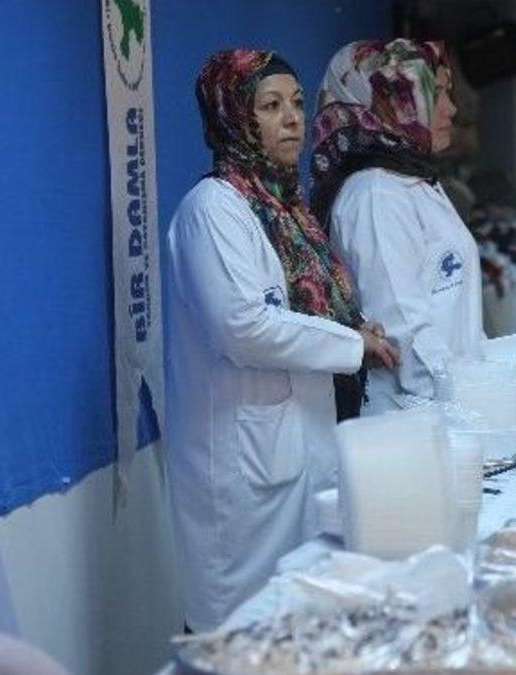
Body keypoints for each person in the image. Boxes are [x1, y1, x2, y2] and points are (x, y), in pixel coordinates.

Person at [165, 49, 399, 632]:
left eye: (296, 103)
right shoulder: (213, 210)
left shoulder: (284, 206)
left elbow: (309, 306)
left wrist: (352, 327)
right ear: (232, 116)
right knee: (242, 633)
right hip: (242, 472)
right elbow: (243, 327)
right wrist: (351, 343)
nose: (292, 119)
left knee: (298, 625)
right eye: (270, 106)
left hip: (301, 446)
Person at [310, 39, 484, 413]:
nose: (451, 109)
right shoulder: (376, 194)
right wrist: (470, 406)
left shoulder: (411, 179)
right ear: (388, 103)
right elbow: (401, 329)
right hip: (415, 417)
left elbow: (456, 317)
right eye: (435, 93)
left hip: (451, 407)